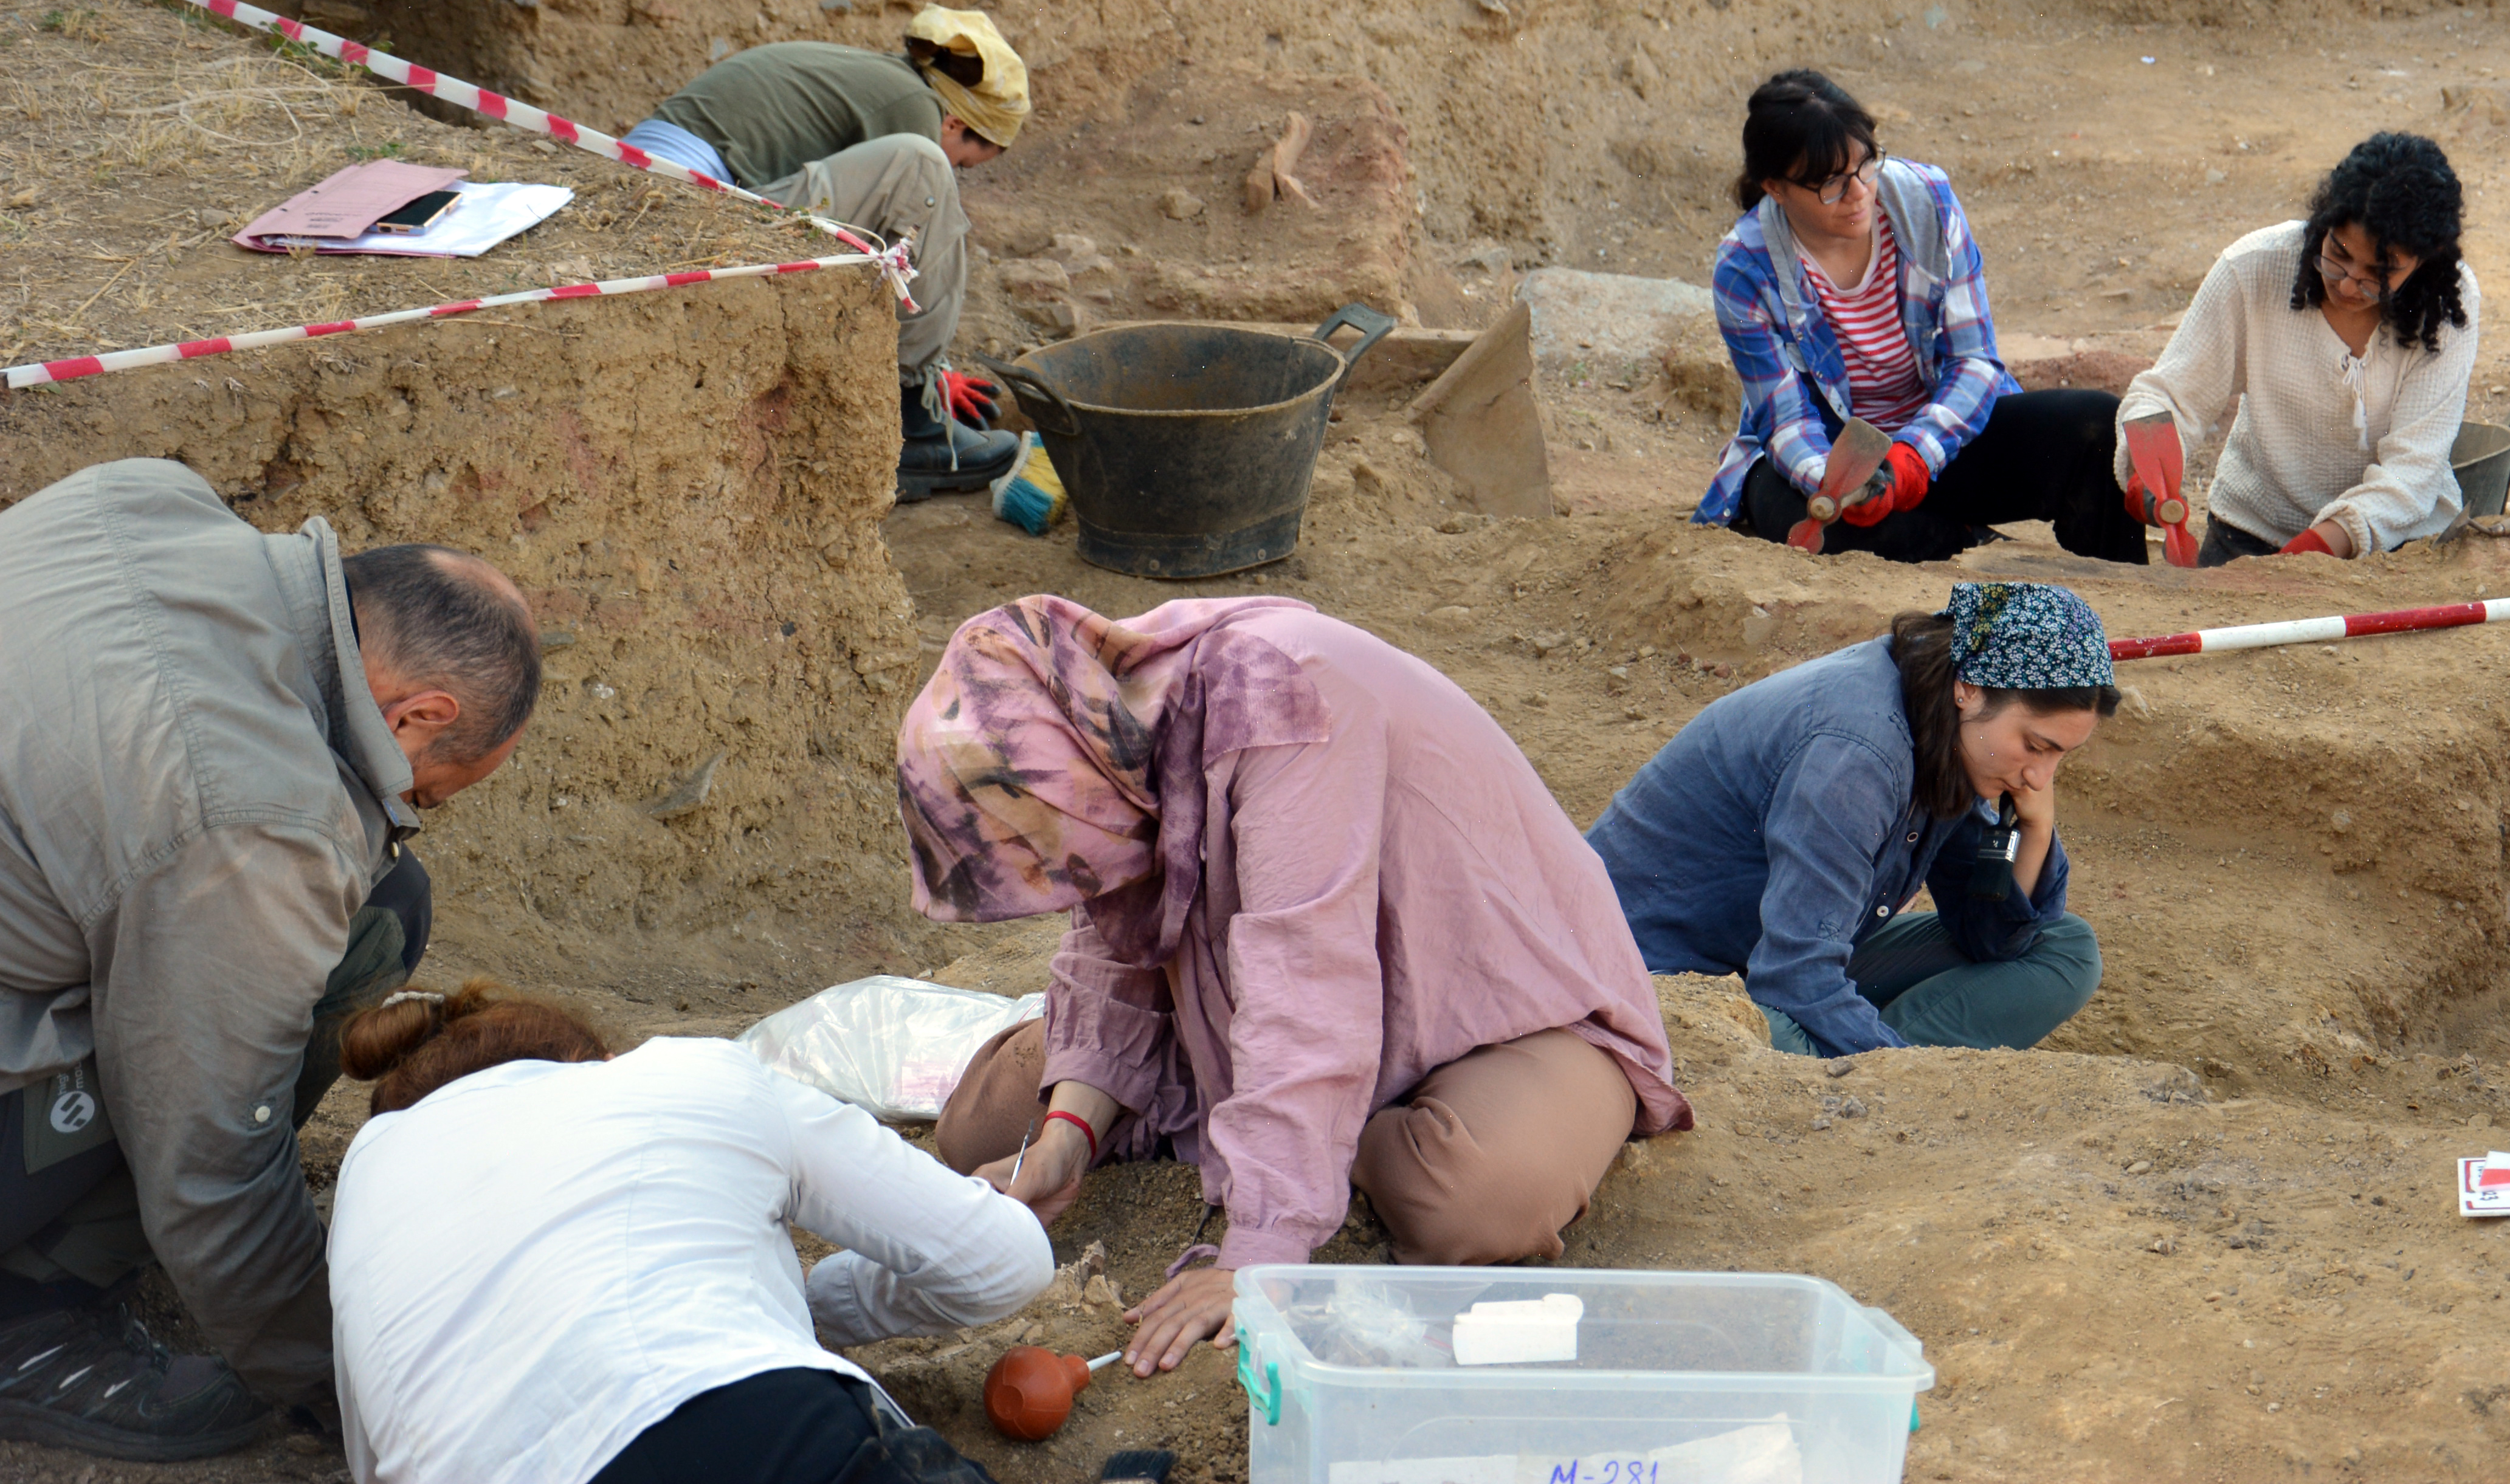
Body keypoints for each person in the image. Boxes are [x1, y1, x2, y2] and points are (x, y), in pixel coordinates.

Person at [895, 596, 1691, 1381]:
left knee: (1472, 1201)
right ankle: (1295, 1127)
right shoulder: (1111, 733)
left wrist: (1262, 1256)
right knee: (986, 1131)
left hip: (1496, 1012)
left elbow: (1307, 987)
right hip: (1253, 1005)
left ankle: (1311, 1135)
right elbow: (1110, 946)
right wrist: (1066, 1139)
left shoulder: (1280, 703)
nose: (1046, 880)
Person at [0, 459, 539, 1458]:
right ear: (422, 715)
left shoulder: (141, 498)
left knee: (373, 898)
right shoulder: (254, 810)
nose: (412, 809)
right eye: (433, 791)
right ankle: (28, 1321)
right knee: (352, 940)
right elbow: (213, 1164)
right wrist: (353, 1384)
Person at [327, 984, 1044, 1484]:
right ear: (596, 1061)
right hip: (748, 1429)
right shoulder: (680, 1071)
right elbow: (1004, 1262)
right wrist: (807, 1305)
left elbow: (380, 1455)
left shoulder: (365, 1176)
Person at [1588, 581, 2115, 1059]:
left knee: (2063, 949)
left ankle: (1867, 1060)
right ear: (1970, 689)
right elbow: (1795, 978)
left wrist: (2036, 832)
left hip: (1767, 957)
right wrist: (1899, 1073)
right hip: (1652, 984)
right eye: (2035, 747)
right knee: (1777, 1038)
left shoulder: (1948, 725)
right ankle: (1887, 1069)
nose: (2040, 778)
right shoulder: (1857, 756)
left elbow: (1990, 939)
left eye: (2060, 756)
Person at [1698, 69, 2141, 563]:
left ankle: (2121, 597)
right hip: (1828, 460)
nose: (1859, 192)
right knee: (1836, 531)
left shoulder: (1927, 202)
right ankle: (1965, 545)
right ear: (1776, 189)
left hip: (1939, 444)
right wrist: (1842, 482)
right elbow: (1785, 420)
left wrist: (1911, 459)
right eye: (1829, 184)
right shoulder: (1744, 267)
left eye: (1866, 165)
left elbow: (1974, 362)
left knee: (2097, 428)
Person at [624, 6, 1030, 500]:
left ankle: (905, 396)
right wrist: (924, 373)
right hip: (686, 207)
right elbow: (905, 235)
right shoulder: (917, 109)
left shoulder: (880, 80)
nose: (957, 171)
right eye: (965, 162)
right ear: (955, 121)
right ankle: (915, 427)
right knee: (923, 170)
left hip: (650, 188)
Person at [2116, 131, 2483, 563]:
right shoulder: (2253, 268)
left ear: (2425, 261)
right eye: (2338, 253)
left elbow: (2412, 474)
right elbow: (2169, 396)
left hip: (2396, 545)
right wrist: (2149, 471)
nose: (2347, 283)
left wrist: (2309, 555)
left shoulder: (2448, 305)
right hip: (2252, 534)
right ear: (2323, 220)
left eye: (2378, 273)